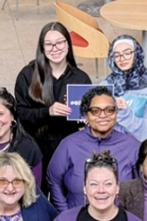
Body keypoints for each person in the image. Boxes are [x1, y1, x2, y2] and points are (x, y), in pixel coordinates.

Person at [47, 85, 140, 213]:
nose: (103, 115)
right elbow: (53, 180)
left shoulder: (132, 146)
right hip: (77, 220)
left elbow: (141, 188)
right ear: (86, 115)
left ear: (116, 113)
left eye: (109, 110)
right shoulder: (69, 144)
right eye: (96, 111)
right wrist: (65, 214)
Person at [14, 21, 91, 176]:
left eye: (60, 43)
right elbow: (20, 114)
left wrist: (88, 119)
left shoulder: (81, 79)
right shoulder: (27, 75)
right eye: (48, 44)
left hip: (69, 149)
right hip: (35, 149)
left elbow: (85, 117)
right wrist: (48, 111)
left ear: (68, 45)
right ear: (42, 48)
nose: (55, 48)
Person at [102, 35, 147, 142]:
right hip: (105, 145)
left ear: (137, 54)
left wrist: (125, 115)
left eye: (127, 53)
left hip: (137, 149)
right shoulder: (105, 85)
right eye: (117, 55)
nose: (122, 58)